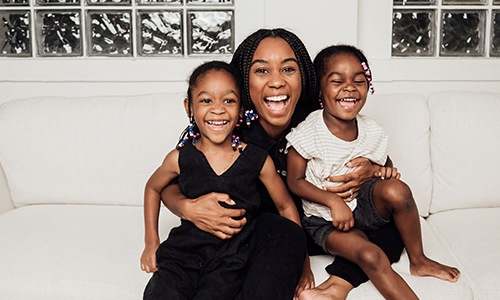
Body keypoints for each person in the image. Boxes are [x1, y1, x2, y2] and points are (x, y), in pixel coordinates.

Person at [160, 28, 406, 300]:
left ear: (304, 78)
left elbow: (370, 149)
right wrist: (186, 207)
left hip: (325, 221)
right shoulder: (227, 128)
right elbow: (171, 181)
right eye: (262, 71)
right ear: (242, 81)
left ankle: (338, 284)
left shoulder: (320, 119)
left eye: (288, 69)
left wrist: (372, 171)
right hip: (266, 233)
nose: (276, 82)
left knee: (393, 224)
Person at [286, 44, 461, 300]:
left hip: (363, 208)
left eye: (359, 80)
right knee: (371, 255)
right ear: (319, 90)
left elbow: (385, 166)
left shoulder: (373, 131)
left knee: (397, 190)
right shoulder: (308, 133)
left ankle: (419, 260)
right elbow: (294, 180)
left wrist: (382, 171)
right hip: (325, 220)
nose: (349, 87)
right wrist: (334, 201)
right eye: (337, 81)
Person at [141, 60, 303, 300]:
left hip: (230, 260)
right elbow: (153, 188)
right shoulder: (180, 158)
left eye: (228, 100)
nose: (218, 109)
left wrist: (301, 260)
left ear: (241, 109)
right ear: (189, 108)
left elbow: (285, 205)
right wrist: (151, 242)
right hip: (182, 255)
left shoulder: (256, 159)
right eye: (206, 100)